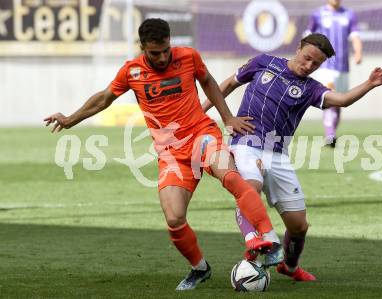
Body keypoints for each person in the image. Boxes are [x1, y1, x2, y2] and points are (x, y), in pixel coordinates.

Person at [44, 18, 278, 291]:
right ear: (142, 47)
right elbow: (104, 99)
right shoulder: (131, 72)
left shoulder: (188, 57)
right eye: (155, 53)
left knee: (230, 175)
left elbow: (208, 81)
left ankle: (268, 239)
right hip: (170, 153)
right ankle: (199, 268)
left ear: (170, 42)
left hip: (201, 134)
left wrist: (227, 117)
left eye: (166, 49)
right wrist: (70, 119)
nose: (163, 57)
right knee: (174, 218)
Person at [202, 33, 382, 281]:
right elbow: (226, 85)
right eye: (307, 58)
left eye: (316, 64)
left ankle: (289, 267)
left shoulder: (310, 88)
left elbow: (341, 100)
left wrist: (369, 83)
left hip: (278, 154)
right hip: (246, 142)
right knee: (249, 189)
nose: (309, 65)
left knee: (299, 226)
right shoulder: (263, 62)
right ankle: (254, 241)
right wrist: (201, 113)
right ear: (299, 47)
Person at [306, 0, 363, 147]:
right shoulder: (318, 14)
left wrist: (358, 52)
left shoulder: (349, 14)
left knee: (340, 101)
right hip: (325, 66)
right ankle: (330, 134)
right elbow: (307, 36)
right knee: (330, 95)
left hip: (343, 66)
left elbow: (355, 35)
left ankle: (331, 135)